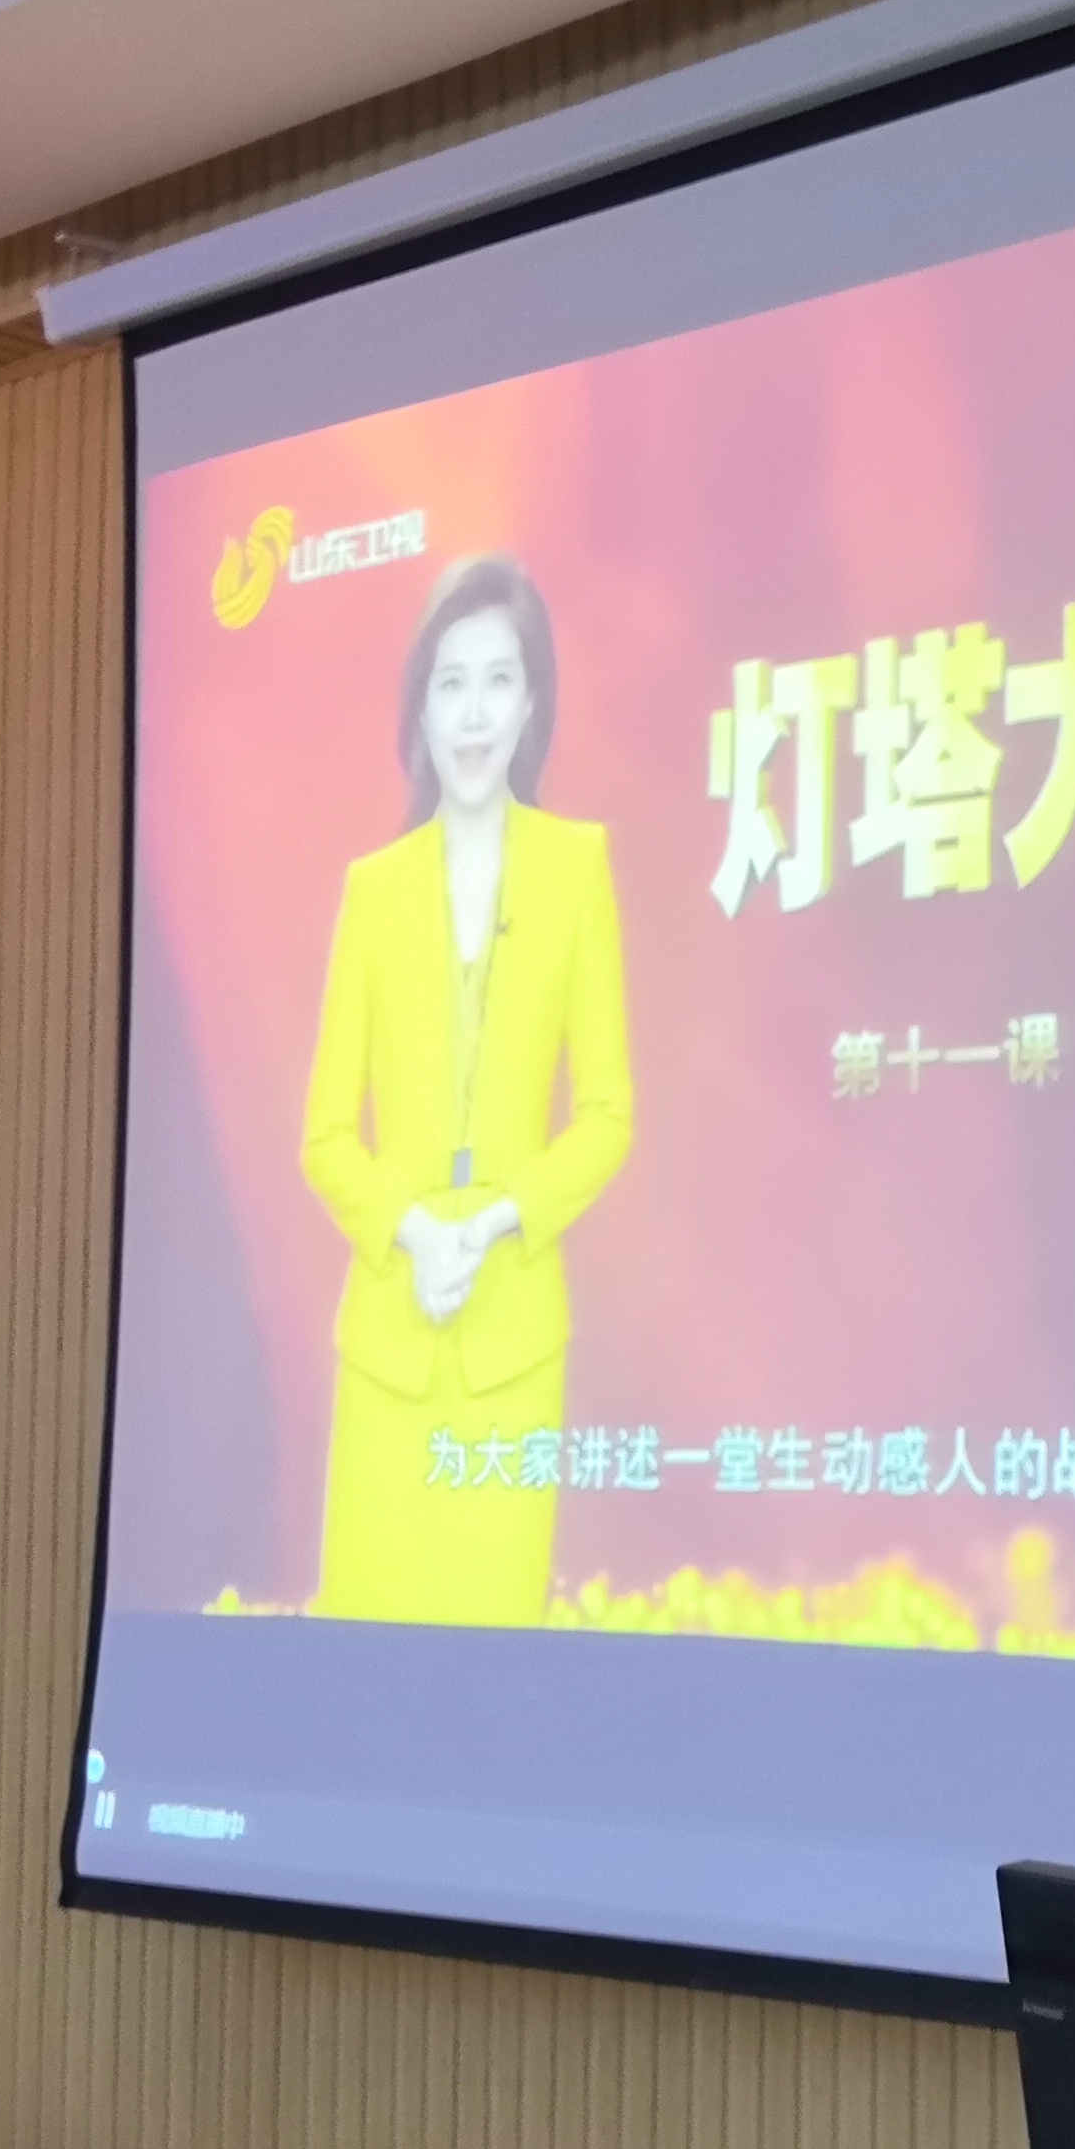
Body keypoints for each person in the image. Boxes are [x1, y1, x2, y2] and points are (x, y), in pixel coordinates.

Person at [301, 556, 635, 1622]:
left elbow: (608, 1116)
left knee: (489, 1662)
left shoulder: (577, 870)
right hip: (387, 1344)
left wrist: (491, 1226)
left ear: (532, 701)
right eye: (451, 684)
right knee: (365, 1665)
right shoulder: (373, 892)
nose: (475, 714)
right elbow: (324, 1137)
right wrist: (414, 1234)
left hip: (513, 1343)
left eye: (499, 680)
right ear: (422, 708)